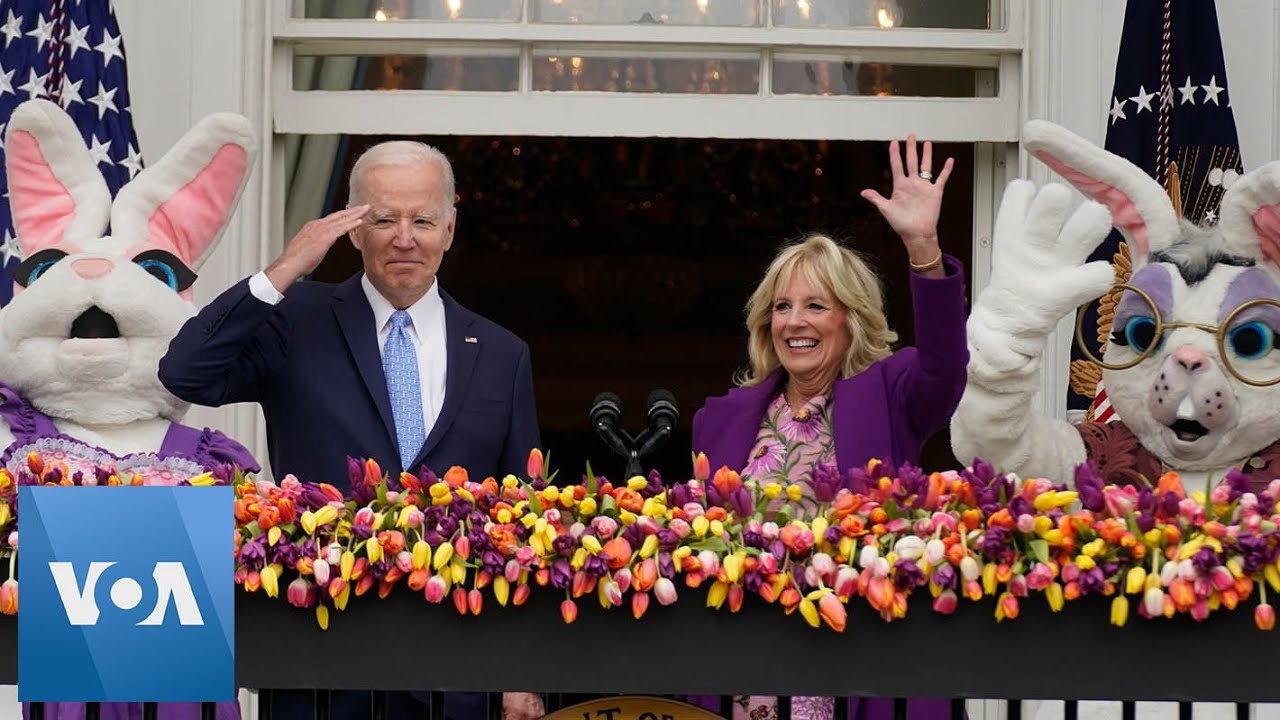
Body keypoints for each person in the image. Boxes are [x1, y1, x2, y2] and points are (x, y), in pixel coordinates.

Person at [158, 141, 541, 720]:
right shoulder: (295, 318)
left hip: (458, 671)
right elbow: (186, 372)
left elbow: (523, 514)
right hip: (321, 664)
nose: (404, 237)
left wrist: (520, 672)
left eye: (423, 220)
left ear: (450, 230)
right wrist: (286, 268)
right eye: (383, 219)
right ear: (353, 230)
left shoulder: (500, 352)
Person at [689, 136, 968, 720]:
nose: (795, 322)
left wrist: (923, 248)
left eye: (817, 306)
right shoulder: (721, 418)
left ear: (851, 318)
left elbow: (944, 366)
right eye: (783, 306)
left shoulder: (890, 396)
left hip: (856, 666)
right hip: (746, 667)